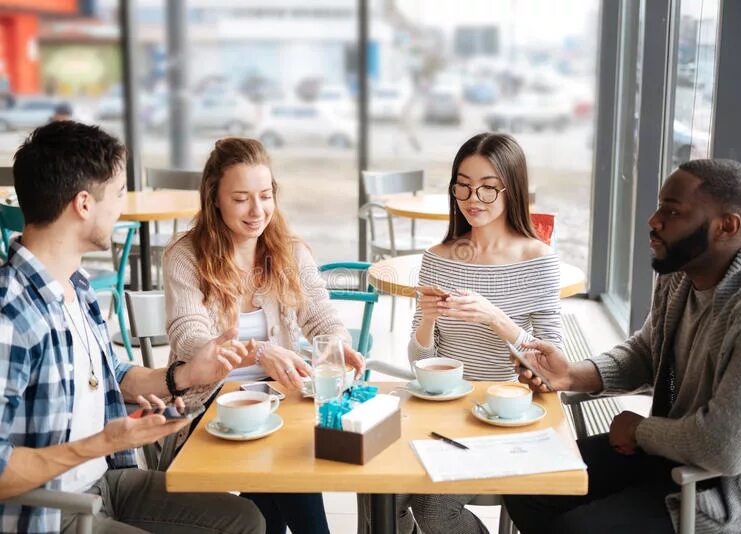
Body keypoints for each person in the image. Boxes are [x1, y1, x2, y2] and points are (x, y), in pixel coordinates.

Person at [504, 159, 741, 533]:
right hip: (671, 453)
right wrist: (572, 374)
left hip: (738, 493)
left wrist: (641, 431)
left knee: (578, 528)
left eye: (672, 211)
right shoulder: (681, 270)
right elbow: (649, 352)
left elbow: (728, 449)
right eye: (660, 205)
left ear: (727, 226)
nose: (654, 220)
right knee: (524, 482)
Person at [0, 121, 266, 533]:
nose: (122, 208)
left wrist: (184, 376)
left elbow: (110, 374)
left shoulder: (76, 286)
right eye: (119, 193)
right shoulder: (10, 314)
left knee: (243, 520)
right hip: (50, 511)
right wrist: (103, 442)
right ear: (84, 204)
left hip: (105, 481)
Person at [162, 137, 365, 534]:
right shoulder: (184, 256)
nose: (257, 211)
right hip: (211, 407)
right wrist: (260, 353)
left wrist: (336, 346)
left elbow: (323, 318)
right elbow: (190, 339)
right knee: (286, 470)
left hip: (278, 404)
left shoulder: (289, 251)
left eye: (265, 195)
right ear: (214, 199)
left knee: (279, 470)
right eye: (240, 199)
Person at [400, 133, 564, 533]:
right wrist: (426, 320)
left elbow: (556, 368)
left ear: (513, 190)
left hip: (508, 418)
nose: (473, 198)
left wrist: (496, 319)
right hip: (443, 414)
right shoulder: (438, 259)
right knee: (380, 488)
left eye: (489, 188)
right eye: (463, 185)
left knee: (432, 509)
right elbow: (421, 363)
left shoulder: (538, 261)